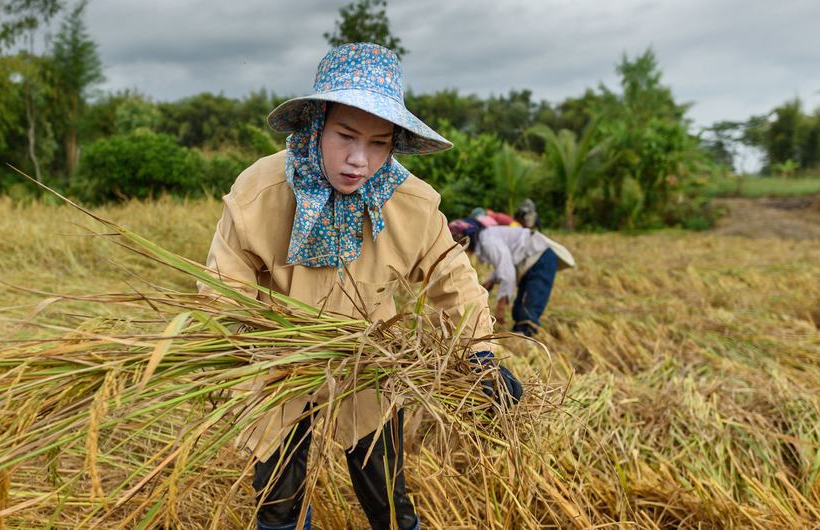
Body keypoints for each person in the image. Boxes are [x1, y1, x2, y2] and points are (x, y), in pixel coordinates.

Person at [200, 43, 520, 530]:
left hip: (368, 360)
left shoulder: (408, 202)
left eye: (378, 144)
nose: (358, 160)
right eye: (345, 136)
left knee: (387, 495)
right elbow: (224, 283)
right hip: (280, 361)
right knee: (279, 502)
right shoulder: (260, 192)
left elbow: (451, 275)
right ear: (317, 124)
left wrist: (479, 353)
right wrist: (242, 338)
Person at [449, 218, 575, 337]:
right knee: (519, 309)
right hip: (532, 260)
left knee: (529, 308)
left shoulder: (488, 241)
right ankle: (519, 337)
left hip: (540, 258)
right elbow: (504, 264)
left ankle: (526, 341)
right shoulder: (486, 239)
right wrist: (490, 281)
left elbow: (507, 272)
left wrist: (500, 307)